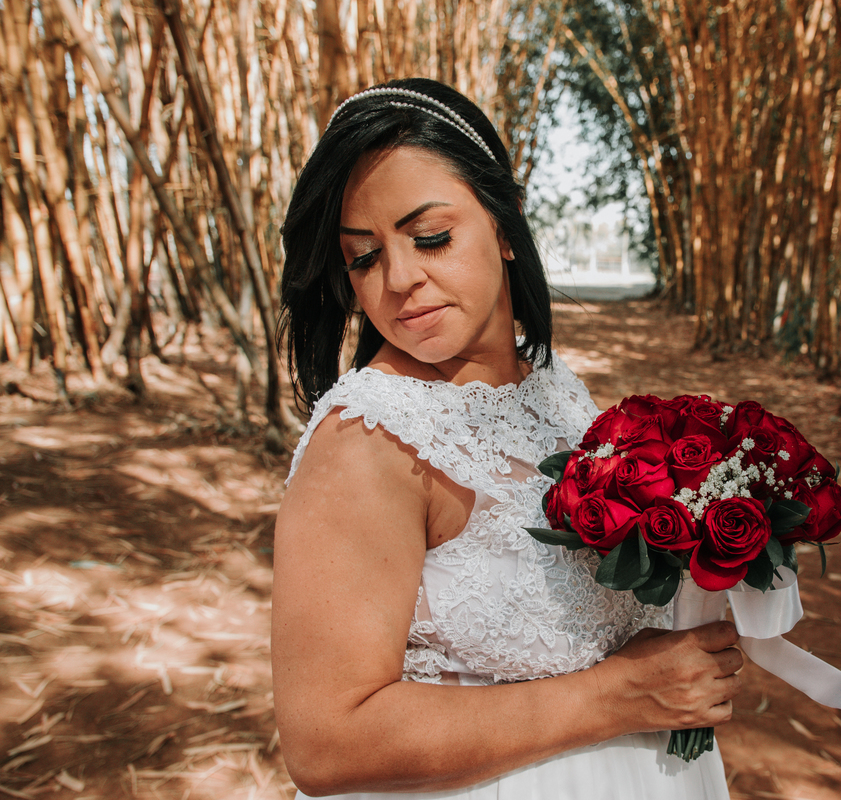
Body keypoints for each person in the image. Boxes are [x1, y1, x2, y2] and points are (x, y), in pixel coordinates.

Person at [271, 77, 742, 800]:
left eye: (431, 238)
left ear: (505, 225)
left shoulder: (549, 383)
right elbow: (325, 741)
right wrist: (617, 697)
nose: (398, 278)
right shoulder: (368, 441)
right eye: (363, 257)